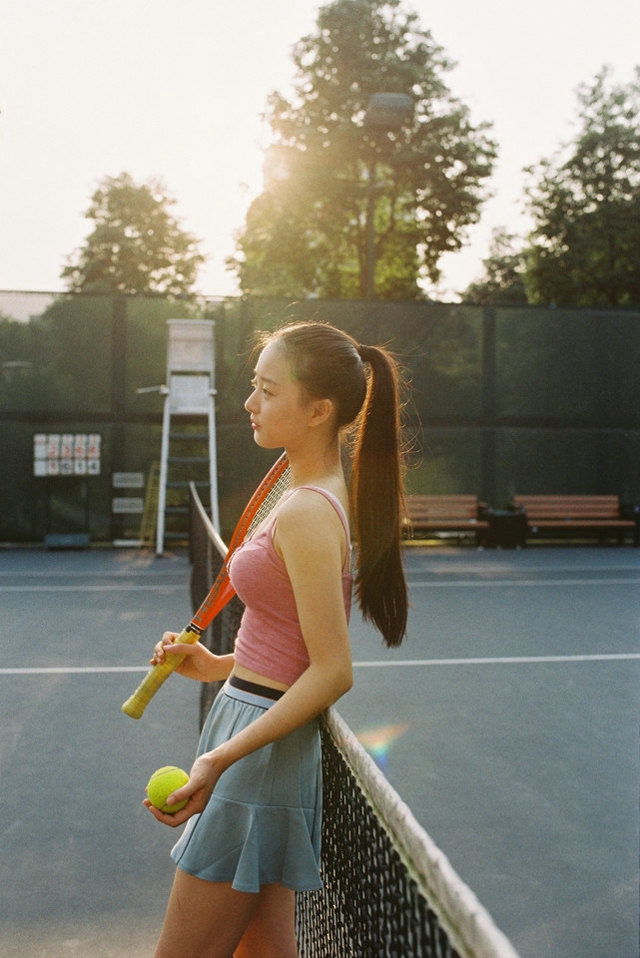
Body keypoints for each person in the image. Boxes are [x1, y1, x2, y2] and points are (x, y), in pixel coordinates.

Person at [144, 320, 409, 958]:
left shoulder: (308, 511)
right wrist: (213, 666)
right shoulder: (301, 498)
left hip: (255, 753)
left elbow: (332, 669)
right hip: (255, 731)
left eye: (267, 390)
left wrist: (220, 759)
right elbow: (288, 645)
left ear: (319, 411)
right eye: (253, 387)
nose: (249, 403)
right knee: (263, 949)